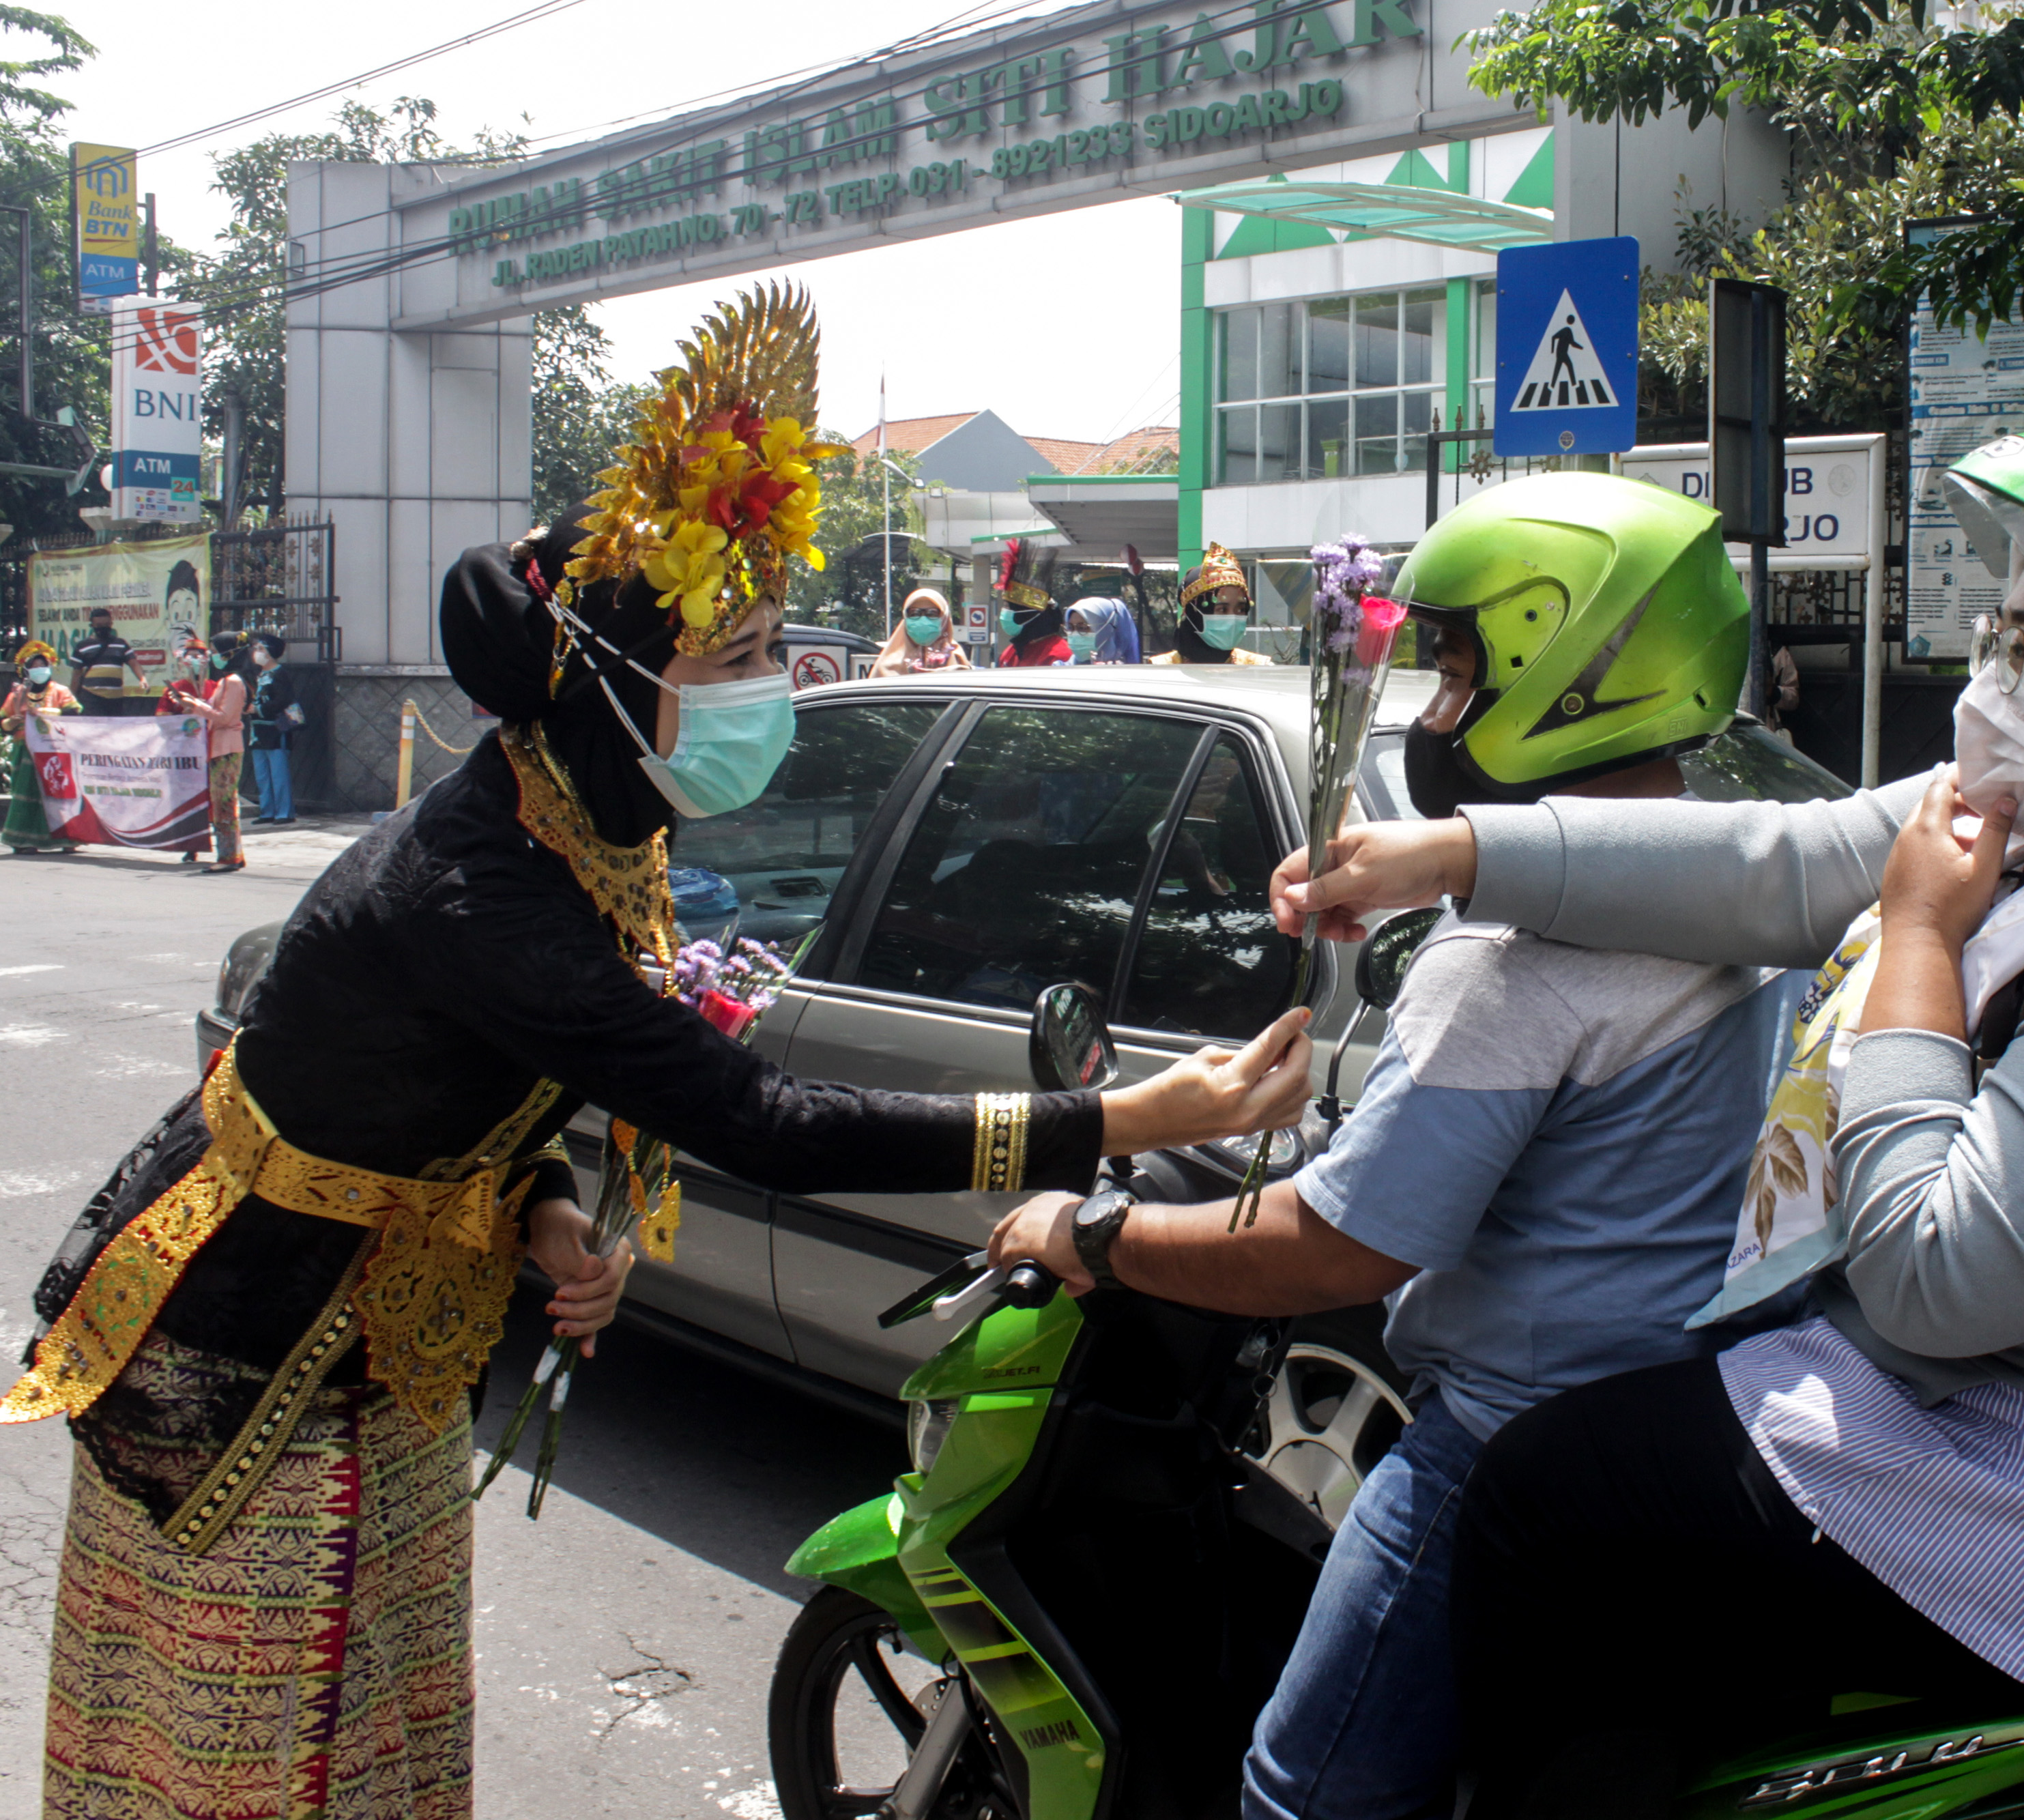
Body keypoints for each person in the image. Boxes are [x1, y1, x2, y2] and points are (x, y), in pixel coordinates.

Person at [12, 289, 1315, 1820]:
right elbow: (757, 1118)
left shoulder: (589, 819)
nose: (772, 682)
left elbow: (459, 1089)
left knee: (383, 1736)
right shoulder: (482, 885)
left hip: (393, 1336)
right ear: (612, 674)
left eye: (770, 643)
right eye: (735, 651)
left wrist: (540, 1204)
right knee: (246, 1754)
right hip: (244, 1349)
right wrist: (1113, 1120)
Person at [1278, 416, 2024, 1812]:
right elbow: (1791, 860)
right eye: (2002, 633)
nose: (1996, 678)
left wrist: (1921, 939)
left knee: (1550, 1498)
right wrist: (1452, 854)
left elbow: (1937, 1280)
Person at [995, 474, 1780, 1820]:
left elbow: (1333, 1250)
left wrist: (1096, 1234)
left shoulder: (1516, 961)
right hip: (1700, 1424)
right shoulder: (1751, 881)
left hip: (1509, 1441)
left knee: (1302, 1791)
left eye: (1461, 675)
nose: (1435, 713)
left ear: (1574, 676)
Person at [169, 629, 250, 872]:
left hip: (226, 746)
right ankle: (233, 853)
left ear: (229, 653)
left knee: (223, 802)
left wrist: (195, 705)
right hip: (221, 745)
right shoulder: (229, 680)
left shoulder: (232, 682)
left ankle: (228, 857)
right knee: (224, 801)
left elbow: (224, 718)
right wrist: (193, 703)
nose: (213, 656)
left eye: (215, 652)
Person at [3, 639, 78, 855]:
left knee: (58, 791)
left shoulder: (60, 691)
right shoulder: (17, 695)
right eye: (34, 666)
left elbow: (74, 712)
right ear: (26, 670)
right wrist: (12, 722)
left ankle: (67, 838)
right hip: (26, 750)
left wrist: (49, 714)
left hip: (54, 749)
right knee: (27, 793)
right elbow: (4, 723)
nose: (40, 670)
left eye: (43, 665)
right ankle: (22, 840)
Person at [1148, 541, 1272, 665]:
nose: (1233, 619)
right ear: (1193, 614)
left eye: (1240, 610)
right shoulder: (1161, 668)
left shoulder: (1259, 667)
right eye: (1222, 610)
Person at [246, 632, 300, 824]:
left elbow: (283, 700)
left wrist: (259, 709)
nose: (256, 652)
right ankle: (267, 811)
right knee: (262, 774)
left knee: (279, 773)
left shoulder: (280, 673)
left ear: (270, 652)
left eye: (260, 649)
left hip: (276, 729)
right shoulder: (258, 675)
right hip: (258, 729)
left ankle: (284, 812)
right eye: (256, 648)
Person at [994, 543, 1073, 667]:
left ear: (1030, 615)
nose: (1004, 612)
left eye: (1009, 607)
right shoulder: (1011, 652)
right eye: (1005, 606)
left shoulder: (1060, 655)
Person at [869, 587, 970, 674]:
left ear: (944, 619)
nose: (923, 620)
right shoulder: (887, 667)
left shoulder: (958, 660)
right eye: (915, 613)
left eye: (931, 614)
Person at [72, 607, 139, 717]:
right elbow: (77, 674)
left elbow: (133, 663)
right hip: (92, 696)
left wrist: (142, 679)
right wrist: (72, 697)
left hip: (115, 698)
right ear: (92, 626)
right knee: (95, 725)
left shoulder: (121, 644)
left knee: (115, 726)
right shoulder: (82, 646)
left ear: (111, 624)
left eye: (107, 624)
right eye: (99, 625)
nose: (103, 628)